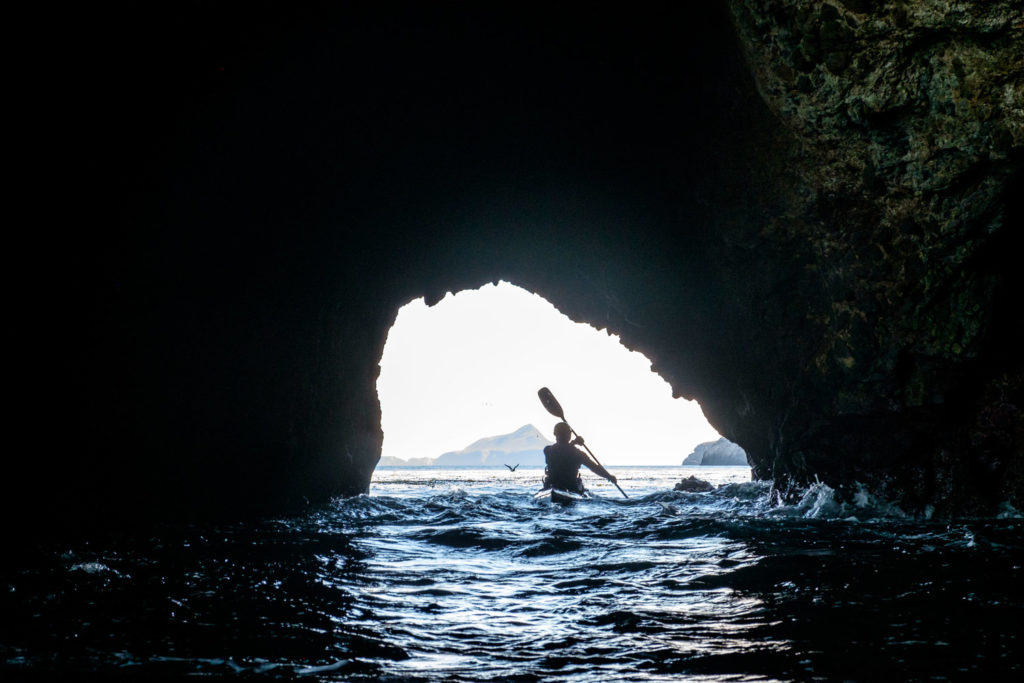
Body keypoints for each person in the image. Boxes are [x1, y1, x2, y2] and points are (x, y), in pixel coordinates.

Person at [543, 422, 617, 493]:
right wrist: (609, 476)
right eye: (562, 433)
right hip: (571, 488)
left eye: (564, 433)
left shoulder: (548, 450)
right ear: (570, 435)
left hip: (552, 486)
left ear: (555, 434)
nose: (563, 435)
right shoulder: (578, 454)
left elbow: (562, 450)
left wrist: (609, 476)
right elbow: (594, 468)